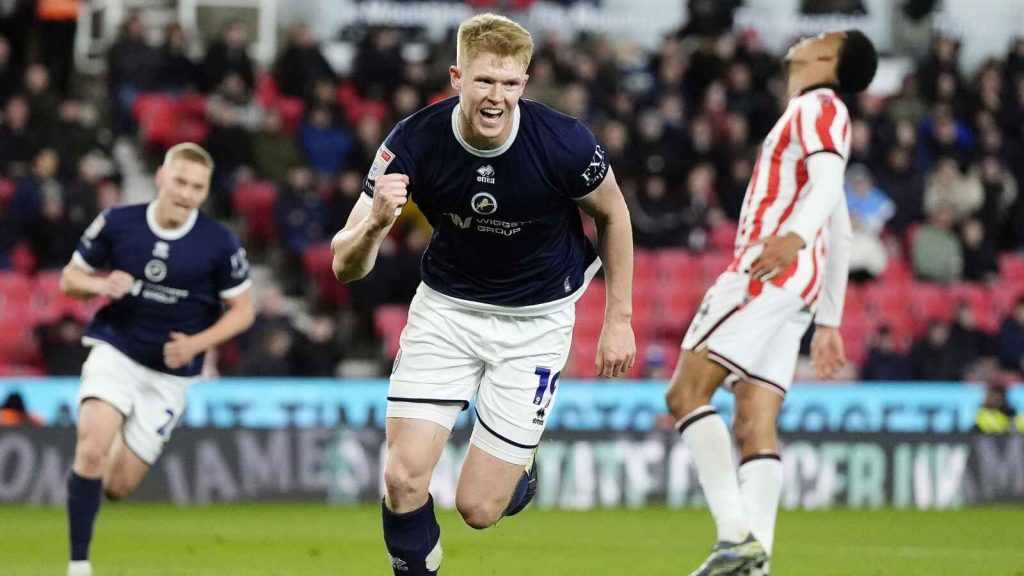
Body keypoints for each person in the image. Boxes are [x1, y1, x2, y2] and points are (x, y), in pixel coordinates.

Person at [330, 14, 634, 576]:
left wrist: (619, 319)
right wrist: (374, 223)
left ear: (525, 83)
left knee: (478, 508)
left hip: (536, 322)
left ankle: (517, 473)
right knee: (401, 478)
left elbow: (613, 214)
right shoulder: (413, 141)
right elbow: (345, 266)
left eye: (510, 83)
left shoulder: (564, 142)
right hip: (446, 311)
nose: (497, 96)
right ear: (457, 78)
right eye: (485, 81)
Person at [664, 30, 877, 576]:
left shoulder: (818, 106)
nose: (809, 36)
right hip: (798, 290)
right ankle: (753, 567)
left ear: (828, 56)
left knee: (685, 393)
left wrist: (793, 239)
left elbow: (827, 190)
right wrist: (828, 319)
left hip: (766, 273)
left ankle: (735, 537)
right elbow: (840, 225)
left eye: (823, 35)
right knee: (754, 422)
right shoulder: (815, 115)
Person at [60, 143, 254, 576]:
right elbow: (70, 278)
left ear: (205, 192)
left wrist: (197, 344)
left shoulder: (219, 243)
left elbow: (243, 311)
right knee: (91, 450)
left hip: (171, 375)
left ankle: (101, 462)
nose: (186, 193)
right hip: (117, 349)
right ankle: (78, 564)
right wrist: (99, 285)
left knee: (117, 486)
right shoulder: (118, 222)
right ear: (162, 178)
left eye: (197, 187)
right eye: (180, 181)